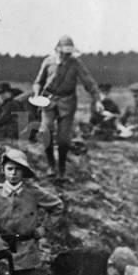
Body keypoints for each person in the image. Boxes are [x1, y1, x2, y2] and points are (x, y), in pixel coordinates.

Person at [32, 35, 104, 180]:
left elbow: (88, 81)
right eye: (63, 52)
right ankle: (51, 165)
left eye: (69, 52)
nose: (66, 55)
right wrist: (36, 94)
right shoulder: (48, 61)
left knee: (63, 139)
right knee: (45, 132)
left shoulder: (76, 63)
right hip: (48, 101)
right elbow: (38, 81)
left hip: (67, 102)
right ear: (57, 49)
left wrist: (97, 100)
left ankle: (62, 167)